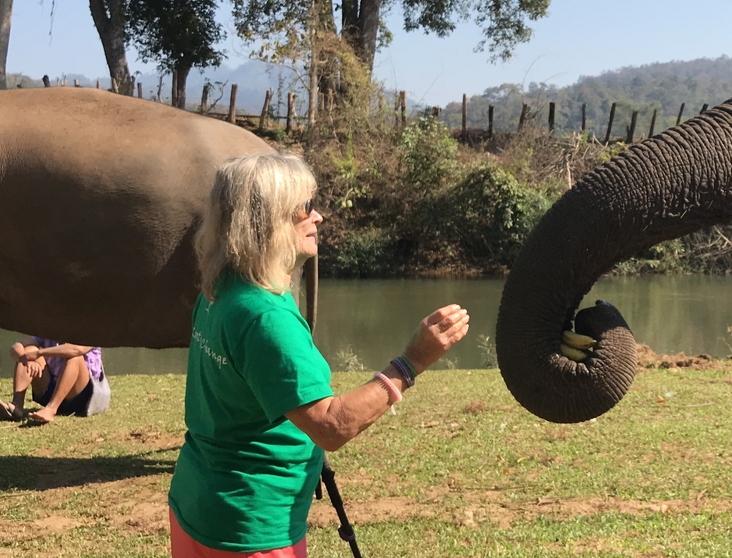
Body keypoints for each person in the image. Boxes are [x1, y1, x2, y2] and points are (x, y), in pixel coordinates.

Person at [168, 153, 470, 558]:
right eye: (306, 207)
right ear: (269, 220)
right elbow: (331, 425)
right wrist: (412, 361)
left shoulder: (222, 288)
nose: (319, 217)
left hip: (197, 504)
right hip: (251, 526)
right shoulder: (266, 315)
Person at [0, 338, 111, 423]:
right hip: (51, 390)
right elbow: (16, 346)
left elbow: (77, 349)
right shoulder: (50, 330)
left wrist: (39, 353)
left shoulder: (90, 330)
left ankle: (51, 409)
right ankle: (16, 407)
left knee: (75, 357)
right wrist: (26, 359)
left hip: (82, 398)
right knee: (29, 349)